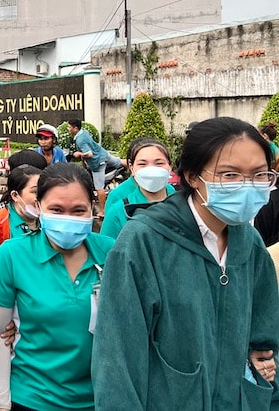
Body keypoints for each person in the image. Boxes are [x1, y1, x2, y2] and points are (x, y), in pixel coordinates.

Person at [92, 117, 279, 409]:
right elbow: (117, 360)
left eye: (259, 175)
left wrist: (263, 374)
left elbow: (266, 341)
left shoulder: (250, 243)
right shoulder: (144, 242)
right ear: (192, 176)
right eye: (230, 175)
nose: (247, 187)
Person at [0, 162, 115, 411]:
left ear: (93, 209)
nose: (67, 219)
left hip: (99, 398)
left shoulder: (110, 252)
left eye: (78, 211)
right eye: (56, 209)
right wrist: (1, 401)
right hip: (31, 397)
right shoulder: (13, 255)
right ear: (38, 207)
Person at [100, 138, 175, 238]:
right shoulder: (118, 208)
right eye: (142, 164)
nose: (151, 170)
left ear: (170, 166)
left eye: (159, 163)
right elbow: (106, 246)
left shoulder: (176, 197)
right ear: (131, 167)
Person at [0, 165, 42, 258]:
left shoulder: (48, 221)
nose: (42, 197)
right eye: (36, 191)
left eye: (44, 191)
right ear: (15, 195)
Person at [67, 119, 122, 211]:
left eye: (69, 127)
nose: (68, 129)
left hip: (98, 163)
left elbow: (89, 154)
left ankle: (102, 211)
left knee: (99, 188)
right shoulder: (83, 132)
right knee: (121, 162)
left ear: (75, 128)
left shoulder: (80, 140)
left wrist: (79, 154)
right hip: (104, 154)